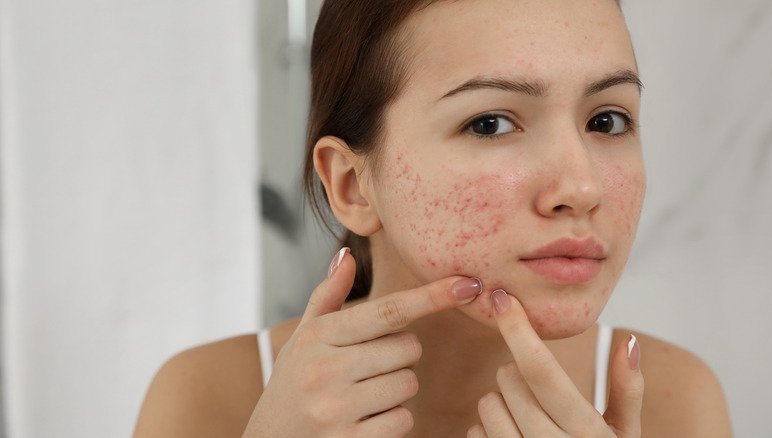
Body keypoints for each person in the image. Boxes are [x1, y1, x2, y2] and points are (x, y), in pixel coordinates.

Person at [133, 0, 732, 436]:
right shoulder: (209, 400)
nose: (580, 187)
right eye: (491, 123)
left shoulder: (677, 404)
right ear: (352, 185)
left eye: (607, 120)